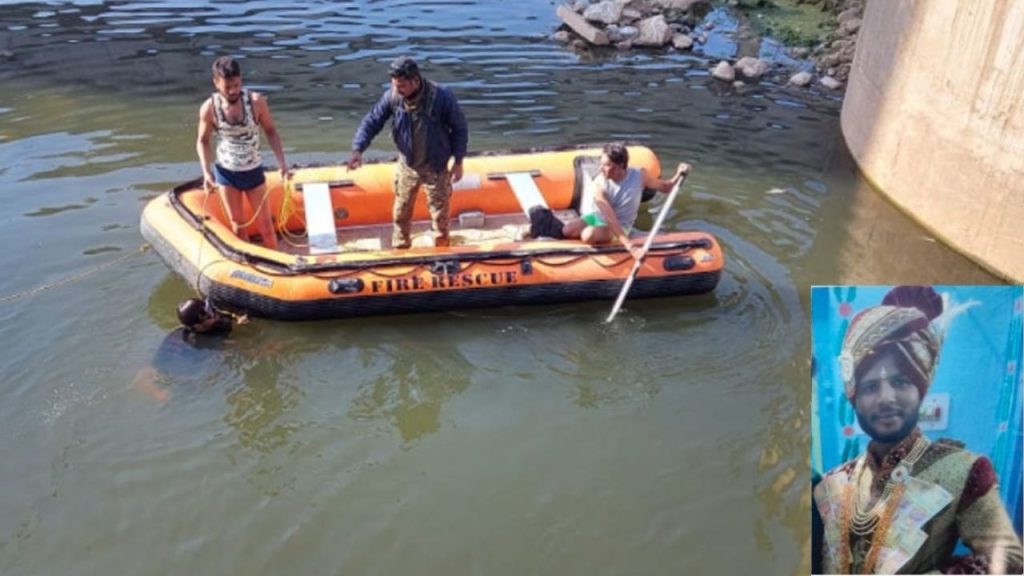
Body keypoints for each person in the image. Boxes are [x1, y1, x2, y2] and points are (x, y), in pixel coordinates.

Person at [813, 286, 1023, 575]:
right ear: (854, 398)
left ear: (920, 391)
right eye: (871, 386)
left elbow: (1010, 561)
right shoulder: (832, 482)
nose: (886, 397)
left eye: (900, 382)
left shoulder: (962, 472)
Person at [346, 56, 469, 249]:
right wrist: (358, 148)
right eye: (394, 85)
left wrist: (458, 161)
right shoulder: (393, 97)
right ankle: (401, 247)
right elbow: (372, 121)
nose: (397, 89)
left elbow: (459, 128)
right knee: (401, 212)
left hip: (435, 166)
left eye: (402, 85)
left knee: (440, 215)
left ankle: (441, 249)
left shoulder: (442, 97)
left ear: (415, 81)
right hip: (408, 164)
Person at [196, 56, 290, 250]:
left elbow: (271, 131)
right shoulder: (209, 109)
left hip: (253, 169)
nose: (233, 91)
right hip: (226, 172)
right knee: (238, 226)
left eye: (236, 85)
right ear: (216, 83)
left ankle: (275, 262)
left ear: (241, 80)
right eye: (227, 87)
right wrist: (206, 172)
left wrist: (282, 164)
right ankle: (249, 266)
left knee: (266, 226)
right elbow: (203, 141)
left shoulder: (256, 102)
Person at [561, 143, 689, 260]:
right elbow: (608, 217)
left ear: (620, 165)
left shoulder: (640, 175)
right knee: (567, 230)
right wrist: (631, 247)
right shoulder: (599, 185)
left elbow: (666, 187)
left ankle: (610, 237)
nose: (601, 168)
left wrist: (678, 174)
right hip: (598, 218)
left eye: (606, 165)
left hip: (622, 225)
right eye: (601, 163)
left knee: (588, 235)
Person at [134, 298, 235, 402]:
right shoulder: (207, 342)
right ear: (200, 325)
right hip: (186, 378)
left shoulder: (181, 332)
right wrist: (159, 394)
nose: (214, 313)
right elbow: (143, 375)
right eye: (209, 313)